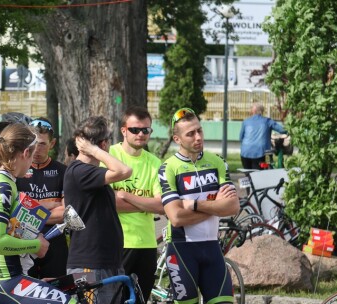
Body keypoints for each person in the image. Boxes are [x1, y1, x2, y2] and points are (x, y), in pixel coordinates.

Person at [0, 123, 76, 303]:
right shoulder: (3, 187)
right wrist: (36, 245)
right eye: (31, 156)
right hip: (3, 279)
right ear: (26, 153)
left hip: (2, 276)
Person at [158, 107, 240, 304]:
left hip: (212, 248)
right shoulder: (168, 168)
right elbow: (176, 218)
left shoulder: (217, 162)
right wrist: (215, 206)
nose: (198, 137)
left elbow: (233, 207)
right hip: (181, 251)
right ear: (177, 139)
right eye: (190, 133)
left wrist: (194, 204)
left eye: (199, 130)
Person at [64, 116, 132, 304]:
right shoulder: (79, 171)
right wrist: (94, 150)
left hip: (106, 262)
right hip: (89, 264)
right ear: (104, 144)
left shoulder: (90, 173)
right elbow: (124, 171)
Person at [107, 106, 164, 301]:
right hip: (116, 244)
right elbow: (107, 202)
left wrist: (125, 195)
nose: (140, 134)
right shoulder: (109, 155)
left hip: (146, 245)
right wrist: (146, 204)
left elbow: (162, 206)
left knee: (141, 299)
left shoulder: (155, 163)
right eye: (134, 130)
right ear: (123, 130)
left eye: (145, 130)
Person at [16, 117, 68, 279]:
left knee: (57, 293)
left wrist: (30, 210)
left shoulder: (63, 171)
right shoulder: (17, 171)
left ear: (52, 144)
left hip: (55, 243)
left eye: (42, 144)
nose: (37, 149)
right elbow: (15, 213)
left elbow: (65, 213)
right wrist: (52, 204)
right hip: (23, 242)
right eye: (33, 143)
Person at [240, 102, 287, 170]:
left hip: (245, 153)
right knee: (259, 175)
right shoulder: (267, 121)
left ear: (252, 111)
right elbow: (282, 130)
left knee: (248, 174)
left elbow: (241, 138)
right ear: (262, 111)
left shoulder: (246, 122)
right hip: (260, 153)